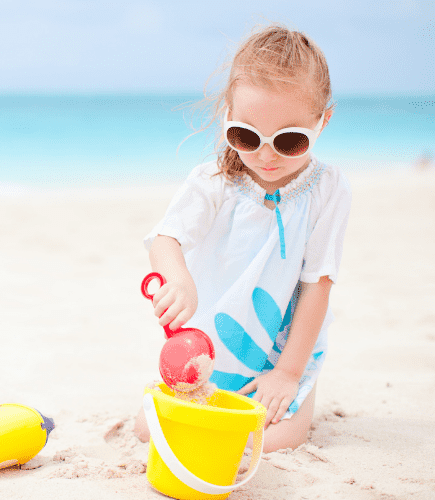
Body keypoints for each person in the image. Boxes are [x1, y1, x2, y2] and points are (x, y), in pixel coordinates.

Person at [134, 24, 351, 453]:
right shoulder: (214, 182)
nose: (266, 155)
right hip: (210, 340)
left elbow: (316, 286)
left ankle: (295, 390)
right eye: (246, 136)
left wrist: (288, 374)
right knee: (148, 427)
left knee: (281, 436)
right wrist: (178, 280)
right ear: (228, 115)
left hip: (282, 346)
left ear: (322, 121)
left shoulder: (328, 189)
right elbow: (166, 238)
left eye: (290, 141)